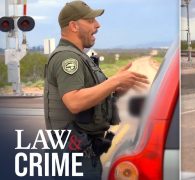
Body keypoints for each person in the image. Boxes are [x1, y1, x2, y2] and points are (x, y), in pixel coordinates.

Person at [43, 1, 149, 179]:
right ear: (74, 26)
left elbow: (91, 98)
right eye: (91, 21)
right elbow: (74, 102)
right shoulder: (68, 58)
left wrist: (116, 87)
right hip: (72, 157)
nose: (98, 25)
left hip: (82, 153)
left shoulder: (80, 57)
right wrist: (114, 81)